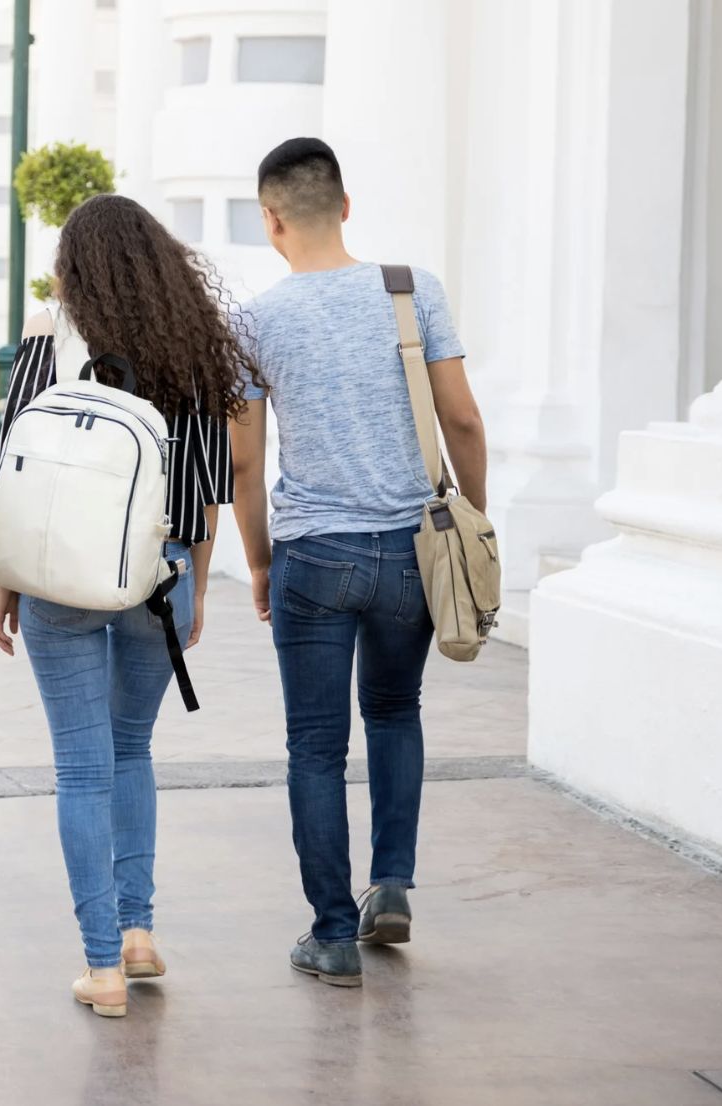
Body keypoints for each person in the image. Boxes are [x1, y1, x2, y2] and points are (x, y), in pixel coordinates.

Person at [0, 194, 259, 1018]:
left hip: (58, 573)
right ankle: (138, 933)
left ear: (74, 265)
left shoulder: (49, 336)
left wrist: (3, 583)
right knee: (132, 749)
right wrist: (199, 580)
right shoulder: (193, 339)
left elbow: (15, 463)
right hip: (160, 573)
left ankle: (102, 968)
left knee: (81, 764)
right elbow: (209, 486)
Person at [229, 137, 489, 987]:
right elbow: (464, 423)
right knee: (394, 710)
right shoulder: (411, 293)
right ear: (344, 206)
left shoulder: (257, 319)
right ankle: (393, 883)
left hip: (313, 551)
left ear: (272, 222)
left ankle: (333, 935)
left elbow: (243, 460)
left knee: (313, 746)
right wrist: (471, 516)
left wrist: (259, 562)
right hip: (413, 549)